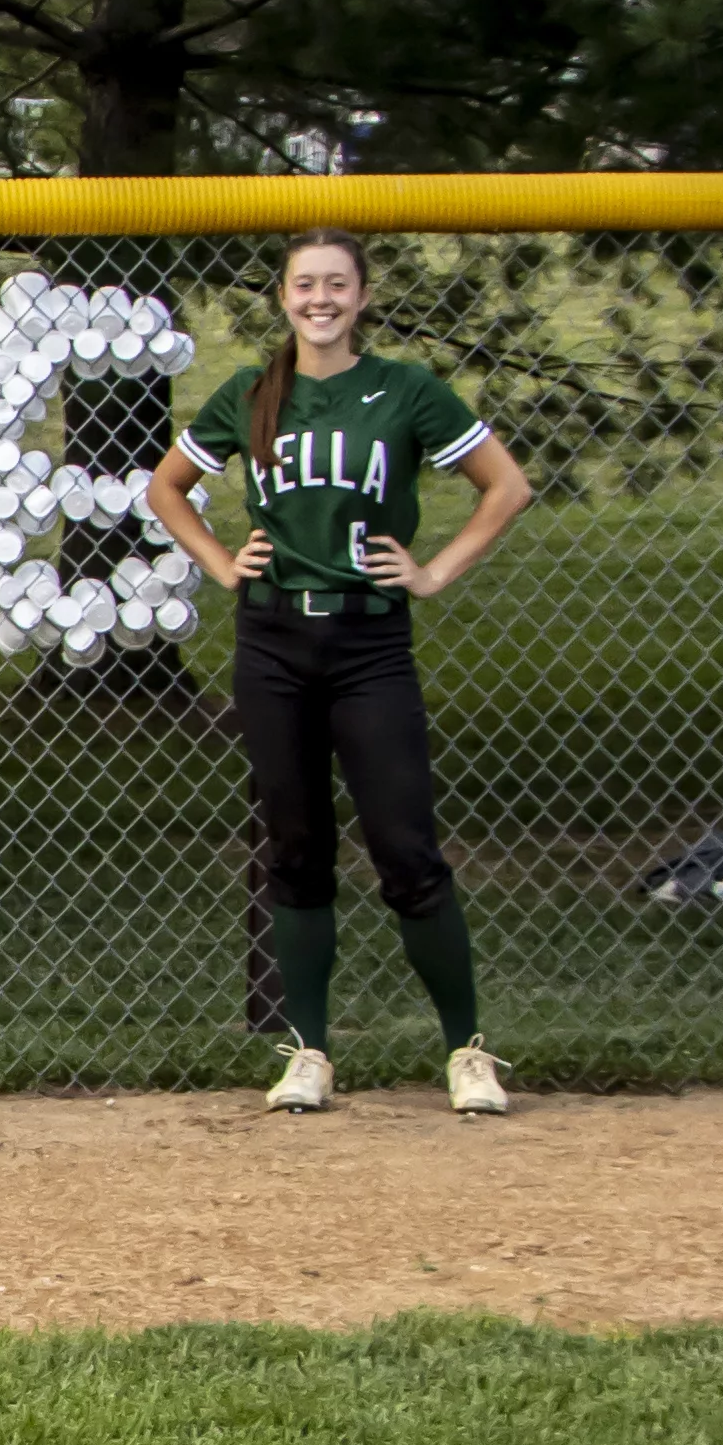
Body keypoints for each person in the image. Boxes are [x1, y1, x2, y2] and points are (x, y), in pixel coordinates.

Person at [145, 230, 537, 1119]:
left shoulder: (404, 390)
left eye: (336, 284)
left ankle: (468, 1053)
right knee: (296, 848)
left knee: (407, 850)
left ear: (362, 297)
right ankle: (310, 1052)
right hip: (274, 642)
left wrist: (433, 571)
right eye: (303, 284)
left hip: (370, 644)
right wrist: (219, 562)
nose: (319, 298)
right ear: (283, 297)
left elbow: (504, 487)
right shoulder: (253, 392)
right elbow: (167, 487)